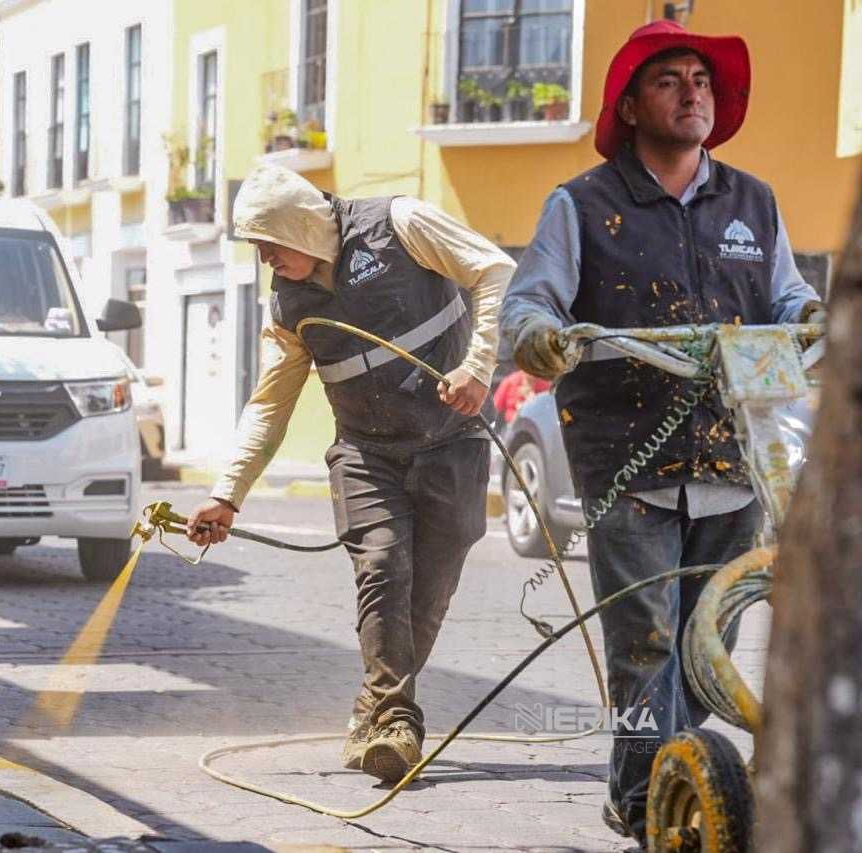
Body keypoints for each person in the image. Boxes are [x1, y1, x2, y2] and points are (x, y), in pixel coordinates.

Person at [500, 20, 824, 847]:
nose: (692, 93)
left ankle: (695, 783)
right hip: (628, 464)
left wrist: (811, 317)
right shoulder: (582, 205)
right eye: (672, 79)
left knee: (710, 641)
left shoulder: (754, 201)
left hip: (737, 455)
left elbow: (787, 299)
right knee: (645, 642)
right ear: (632, 103)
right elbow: (529, 302)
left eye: (703, 81)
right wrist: (540, 333)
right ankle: (647, 801)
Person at [186, 163, 515, 783]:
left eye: (268, 244)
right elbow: (270, 403)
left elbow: (495, 269)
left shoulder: (402, 223)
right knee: (384, 564)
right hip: (367, 454)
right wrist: (226, 495)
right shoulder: (290, 306)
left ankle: (374, 707)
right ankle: (395, 722)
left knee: (428, 595)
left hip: (455, 443)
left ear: (301, 227)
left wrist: (478, 367)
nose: (263, 261)